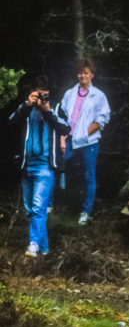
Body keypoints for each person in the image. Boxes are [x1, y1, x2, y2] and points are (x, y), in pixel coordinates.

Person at [7, 75, 70, 257]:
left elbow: (66, 129)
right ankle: (45, 250)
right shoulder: (25, 107)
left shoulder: (56, 108)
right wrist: (28, 105)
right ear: (32, 92)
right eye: (39, 95)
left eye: (45, 95)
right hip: (26, 165)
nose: (42, 99)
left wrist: (48, 111)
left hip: (45, 166)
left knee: (37, 207)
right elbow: (10, 122)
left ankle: (33, 244)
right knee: (30, 210)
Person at [58, 58, 111, 225]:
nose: (82, 76)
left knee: (89, 176)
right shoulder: (69, 93)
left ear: (92, 75)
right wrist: (62, 138)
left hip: (89, 143)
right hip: (69, 140)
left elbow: (102, 119)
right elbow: (60, 116)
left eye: (86, 73)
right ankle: (49, 205)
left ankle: (85, 212)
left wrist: (83, 133)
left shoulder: (99, 96)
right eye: (80, 72)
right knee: (55, 167)